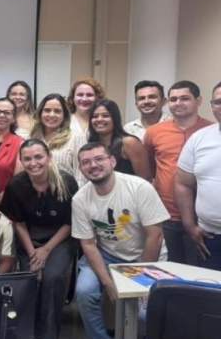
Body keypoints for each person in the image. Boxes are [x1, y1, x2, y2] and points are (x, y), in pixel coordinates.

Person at [71, 142, 169, 339]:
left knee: (144, 311)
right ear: (81, 169)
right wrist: (108, 283)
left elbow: (155, 235)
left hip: (144, 255)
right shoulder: (80, 199)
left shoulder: (139, 187)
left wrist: (140, 280)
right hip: (107, 254)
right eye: (86, 162)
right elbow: (87, 244)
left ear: (112, 161)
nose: (93, 165)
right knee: (85, 291)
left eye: (99, 159)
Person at [2, 139, 78, 339]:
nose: (33, 163)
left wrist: (46, 250)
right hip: (29, 239)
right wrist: (33, 254)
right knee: (31, 278)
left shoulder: (67, 182)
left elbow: (70, 223)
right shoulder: (16, 185)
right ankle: (27, 337)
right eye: (27, 159)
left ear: (49, 158)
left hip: (59, 239)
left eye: (38, 157)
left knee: (52, 278)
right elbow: (18, 223)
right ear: (21, 161)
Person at [144, 80, 212, 264]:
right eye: (173, 99)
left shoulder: (211, 131)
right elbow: (150, 168)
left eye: (184, 98)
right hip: (166, 214)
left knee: (200, 270)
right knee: (171, 268)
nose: (178, 103)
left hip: (202, 217)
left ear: (198, 101)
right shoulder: (154, 132)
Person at [175, 81, 221, 270]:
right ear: (211, 106)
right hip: (209, 238)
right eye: (218, 102)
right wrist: (189, 225)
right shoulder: (199, 138)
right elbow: (183, 184)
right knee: (211, 295)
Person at [87, 99, 151, 179]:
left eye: (105, 115)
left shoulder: (129, 143)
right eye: (95, 116)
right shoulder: (91, 144)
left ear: (115, 118)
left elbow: (145, 180)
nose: (99, 119)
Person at [29, 93, 82, 181]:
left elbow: (80, 176)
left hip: (67, 192)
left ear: (64, 115)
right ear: (40, 113)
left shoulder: (76, 138)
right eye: (47, 110)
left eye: (57, 111)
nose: (52, 114)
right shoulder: (31, 138)